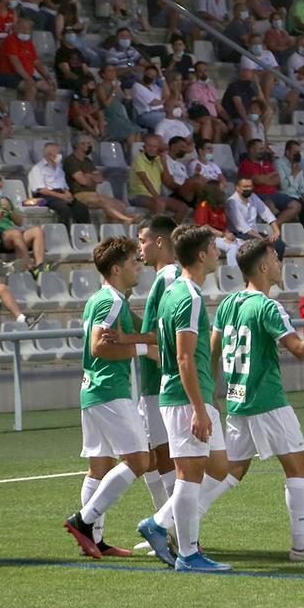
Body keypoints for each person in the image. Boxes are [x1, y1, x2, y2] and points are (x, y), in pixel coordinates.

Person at [198, 239, 304, 561]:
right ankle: (301, 547)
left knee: (231, 470)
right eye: (276, 259)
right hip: (268, 400)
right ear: (264, 267)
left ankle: (172, 524)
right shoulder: (268, 307)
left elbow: (212, 351)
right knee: (297, 466)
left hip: (237, 399)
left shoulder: (227, 303)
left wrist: (211, 394)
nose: (281, 264)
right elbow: (300, 349)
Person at [134, 224, 233, 573]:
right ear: (202, 255)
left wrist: (207, 400)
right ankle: (188, 555)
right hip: (183, 397)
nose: (218, 254)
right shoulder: (188, 296)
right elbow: (184, 357)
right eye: (214, 248)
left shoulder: (177, 291)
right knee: (189, 474)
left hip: (194, 394)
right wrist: (197, 408)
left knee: (220, 466)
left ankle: (159, 523)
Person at [62, 236, 158, 559]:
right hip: (109, 391)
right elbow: (98, 347)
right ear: (116, 269)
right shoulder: (111, 301)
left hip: (93, 391)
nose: (139, 266)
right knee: (139, 460)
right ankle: (83, 521)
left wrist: (148, 339)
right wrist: (146, 349)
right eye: (134, 262)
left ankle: (95, 541)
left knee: (99, 466)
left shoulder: (101, 299)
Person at [134, 216, 181, 524]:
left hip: (162, 382)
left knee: (163, 457)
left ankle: (170, 527)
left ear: (159, 242)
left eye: (143, 240)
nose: (140, 248)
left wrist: (129, 341)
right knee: (151, 457)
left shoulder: (169, 278)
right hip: (150, 382)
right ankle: (164, 524)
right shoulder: (161, 278)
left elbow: (164, 336)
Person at [0, 173, 51, 278]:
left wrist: (9, 210)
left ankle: (40, 266)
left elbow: (20, 222)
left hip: (12, 237)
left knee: (37, 231)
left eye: (0, 187)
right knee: (15, 233)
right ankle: (29, 267)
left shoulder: (5, 200)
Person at [65, 134, 136, 225]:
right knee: (103, 201)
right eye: (86, 143)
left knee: (120, 204)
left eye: (89, 143)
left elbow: (100, 179)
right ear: (78, 145)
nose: (89, 146)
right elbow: (83, 181)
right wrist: (91, 178)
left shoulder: (88, 161)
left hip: (93, 193)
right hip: (78, 195)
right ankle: (126, 219)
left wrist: (88, 176)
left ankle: (115, 230)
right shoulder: (71, 161)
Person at [27, 142, 90, 229]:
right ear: (49, 155)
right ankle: (64, 235)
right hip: (46, 196)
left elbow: (63, 186)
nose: (61, 155)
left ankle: (83, 234)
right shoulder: (37, 169)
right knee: (64, 209)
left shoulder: (59, 167)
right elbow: (42, 190)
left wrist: (67, 193)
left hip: (61, 193)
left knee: (81, 208)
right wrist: (61, 196)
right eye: (59, 153)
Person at [128, 133, 189, 220]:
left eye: (155, 146)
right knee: (160, 204)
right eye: (149, 146)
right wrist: (157, 197)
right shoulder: (139, 158)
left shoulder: (158, 160)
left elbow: (168, 180)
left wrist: (164, 163)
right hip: (138, 196)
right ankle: (152, 230)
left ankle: (171, 230)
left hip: (154, 196)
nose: (152, 149)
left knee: (183, 207)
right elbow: (145, 180)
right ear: (144, 146)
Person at [0, 17, 56, 102]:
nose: (25, 31)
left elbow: (37, 62)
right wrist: (27, 78)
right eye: (22, 28)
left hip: (25, 76)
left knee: (51, 88)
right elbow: (16, 63)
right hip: (8, 75)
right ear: (15, 28)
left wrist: (48, 78)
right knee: (31, 88)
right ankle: (26, 114)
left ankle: (49, 114)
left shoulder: (28, 43)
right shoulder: (10, 40)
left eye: (28, 29)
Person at [227, 176, 286, 259]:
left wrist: (276, 231)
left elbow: (267, 213)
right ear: (237, 188)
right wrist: (261, 238)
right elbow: (243, 227)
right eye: (245, 187)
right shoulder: (232, 202)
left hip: (255, 234)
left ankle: (277, 268)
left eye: (250, 186)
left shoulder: (253, 197)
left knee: (279, 244)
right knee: (262, 248)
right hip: (239, 235)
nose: (248, 189)